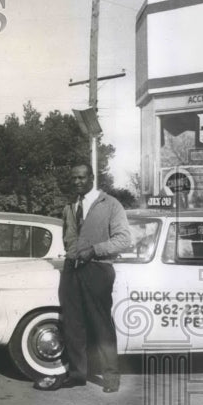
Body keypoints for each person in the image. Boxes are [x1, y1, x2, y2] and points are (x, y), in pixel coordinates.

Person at [36, 162, 131, 393]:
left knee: (101, 324)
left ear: (92, 178)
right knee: (73, 323)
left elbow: (124, 239)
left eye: (82, 177)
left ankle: (111, 377)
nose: (77, 182)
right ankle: (78, 374)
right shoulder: (70, 206)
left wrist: (93, 250)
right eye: (74, 178)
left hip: (98, 268)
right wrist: (73, 254)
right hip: (72, 270)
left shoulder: (110, 205)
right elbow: (68, 237)